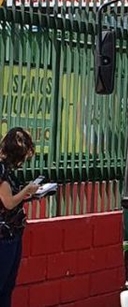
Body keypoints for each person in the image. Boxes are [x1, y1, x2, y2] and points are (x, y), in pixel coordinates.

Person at [0, 128, 38, 307]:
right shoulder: (1, 170)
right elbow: (7, 202)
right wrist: (25, 191)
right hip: (3, 237)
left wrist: (27, 194)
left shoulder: (7, 170)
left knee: (7, 287)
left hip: (12, 234)